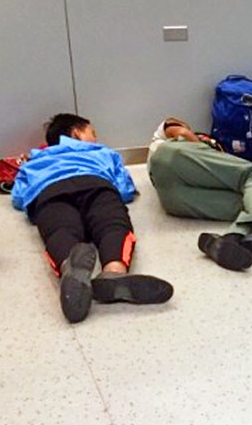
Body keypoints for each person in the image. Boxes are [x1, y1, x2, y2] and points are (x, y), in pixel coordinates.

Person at [12, 114, 173, 324]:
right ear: (76, 133)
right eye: (93, 133)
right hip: (95, 184)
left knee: (59, 231)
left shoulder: (35, 160)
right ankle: (114, 271)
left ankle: (69, 264)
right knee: (112, 225)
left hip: (50, 192)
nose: (96, 139)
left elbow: (18, 196)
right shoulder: (102, 152)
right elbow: (124, 187)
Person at [146, 117, 252, 272]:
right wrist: (198, 142)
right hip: (171, 157)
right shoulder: (170, 133)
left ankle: (231, 239)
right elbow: (182, 131)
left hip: (173, 201)